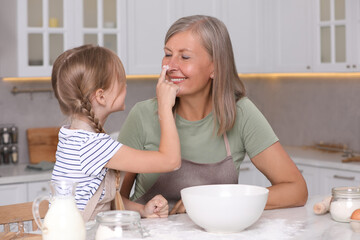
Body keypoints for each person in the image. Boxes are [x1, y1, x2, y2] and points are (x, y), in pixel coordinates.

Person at [118, 15, 308, 214]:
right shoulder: (143, 115)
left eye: (184, 57)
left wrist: (216, 201)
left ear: (215, 67)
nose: (171, 66)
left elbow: (296, 190)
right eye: (167, 54)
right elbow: (112, 198)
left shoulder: (241, 113)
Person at [50, 44, 181, 221]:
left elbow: (101, 199)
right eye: (120, 81)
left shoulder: (72, 136)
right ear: (101, 96)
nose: (125, 85)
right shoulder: (94, 146)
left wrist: (142, 210)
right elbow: (171, 161)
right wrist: (165, 106)